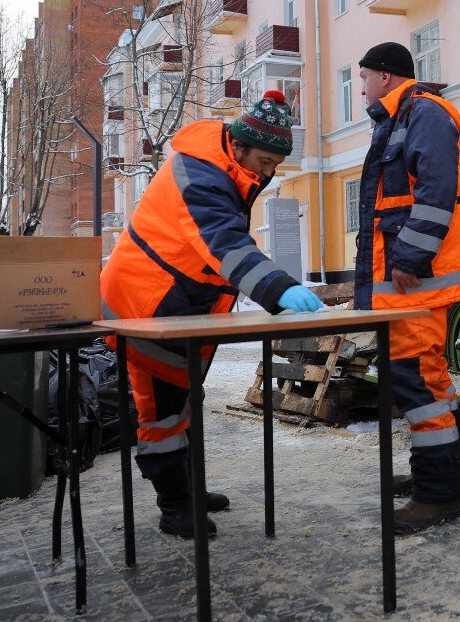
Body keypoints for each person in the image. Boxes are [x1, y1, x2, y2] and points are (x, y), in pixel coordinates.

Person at [100, 91, 324, 538]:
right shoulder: (200, 174)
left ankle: (187, 488)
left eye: (276, 163)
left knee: (184, 402)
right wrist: (281, 289)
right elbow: (223, 243)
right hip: (146, 307)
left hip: (180, 307)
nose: (269, 172)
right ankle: (175, 507)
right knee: (161, 411)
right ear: (239, 145)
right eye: (265, 160)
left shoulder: (225, 165)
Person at [353, 41, 460, 533]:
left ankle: (440, 495)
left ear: (385, 76)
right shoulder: (403, 116)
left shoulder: (422, 112)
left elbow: (435, 192)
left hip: (415, 281)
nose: (361, 86)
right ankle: (442, 471)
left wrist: (409, 255)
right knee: (427, 380)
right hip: (409, 283)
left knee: (418, 382)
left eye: (364, 76)